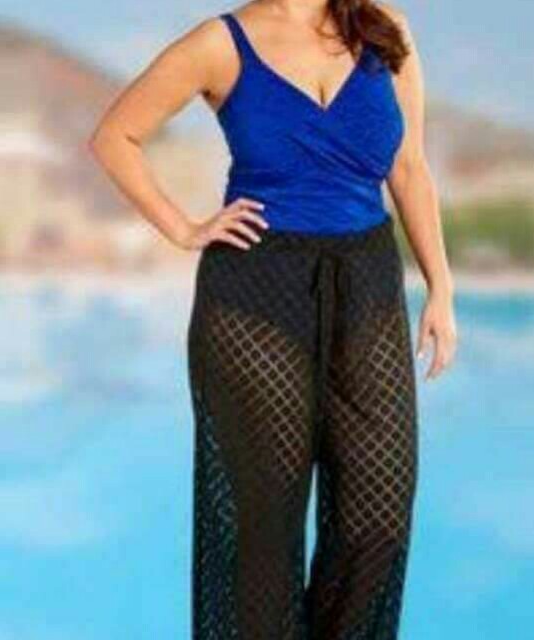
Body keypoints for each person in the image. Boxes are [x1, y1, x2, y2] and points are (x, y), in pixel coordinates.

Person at [89, 0, 457, 638]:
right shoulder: (221, 43)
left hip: (367, 283)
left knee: (378, 520)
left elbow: (408, 166)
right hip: (255, 295)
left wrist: (441, 287)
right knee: (263, 531)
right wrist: (185, 228)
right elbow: (114, 137)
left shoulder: (382, 27)